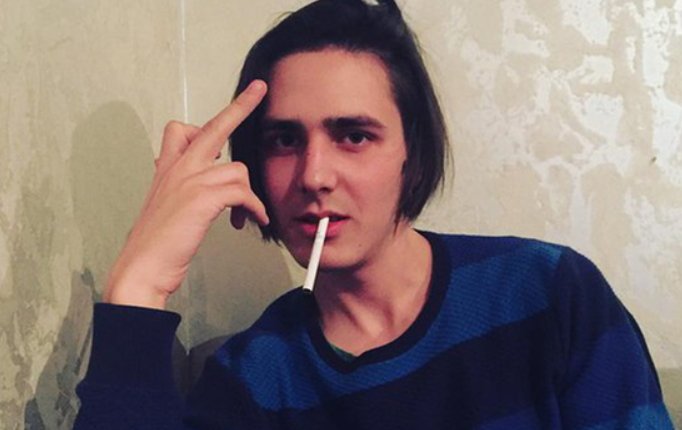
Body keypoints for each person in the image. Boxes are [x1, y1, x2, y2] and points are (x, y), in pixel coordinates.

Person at [74, 0, 674, 428]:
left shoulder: (549, 295)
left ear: (411, 152)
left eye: (354, 136)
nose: (314, 175)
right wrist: (138, 287)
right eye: (284, 140)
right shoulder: (251, 380)